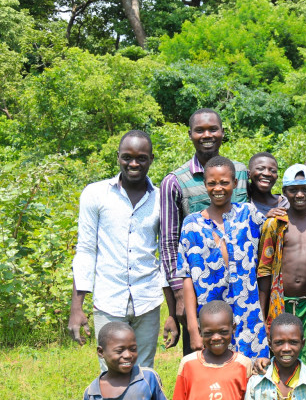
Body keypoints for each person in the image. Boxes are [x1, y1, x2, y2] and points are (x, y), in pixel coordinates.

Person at [69, 130, 177, 371]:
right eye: (127, 157)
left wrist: (171, 312)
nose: (134, 163)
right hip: (108, 299)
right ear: (118, 157)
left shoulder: (161, 199)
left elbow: (165, 255)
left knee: (144, 370)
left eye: (141, 157)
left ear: (151, 159)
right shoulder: (95, 194)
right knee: (110, 370)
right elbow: (86, 250)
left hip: (147, 300)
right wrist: (77, 308)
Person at [160, 108, 248, 356]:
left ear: (222, 133)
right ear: (190, 134)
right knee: (202, 361)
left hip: (241, 291)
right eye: (200, 130)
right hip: (200, 293)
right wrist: (178, 294)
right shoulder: (175, 181)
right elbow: (168, 243)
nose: (207, 134)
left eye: (213, 129)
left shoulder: (241, 172)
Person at [176, 156, 269, 360]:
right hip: (211, 327)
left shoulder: (249, 215)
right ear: (205, 184)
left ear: (235, 184)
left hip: (249, 319)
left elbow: (277, 233)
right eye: (212, 183)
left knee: (253, 378)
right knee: (215, 382)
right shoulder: (191, 225)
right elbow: (187, 279)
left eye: (225, 182)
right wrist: (193, 329)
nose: (218, 188)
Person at [257, 164, 306, 366]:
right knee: (281, 357)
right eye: (293, 190)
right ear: (284, 192)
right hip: (279, 302)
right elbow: (264, 270)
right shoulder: (275, 224)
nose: (300, 194)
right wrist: (263, 315)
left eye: (305, 189)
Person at [172, 301, 254, 400]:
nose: (216, 338)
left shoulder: (243, 365)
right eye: (209, 333)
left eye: (223, 331)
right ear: (199, 331)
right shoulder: (188, 364)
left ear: (233, 329)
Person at [247, 152, 289, 217]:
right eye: (260, 169)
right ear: (249, 174)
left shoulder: (286, 203)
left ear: (277, 177)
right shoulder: (244, 205)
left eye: (272, 171)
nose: (267, 173)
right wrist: (266, 220)